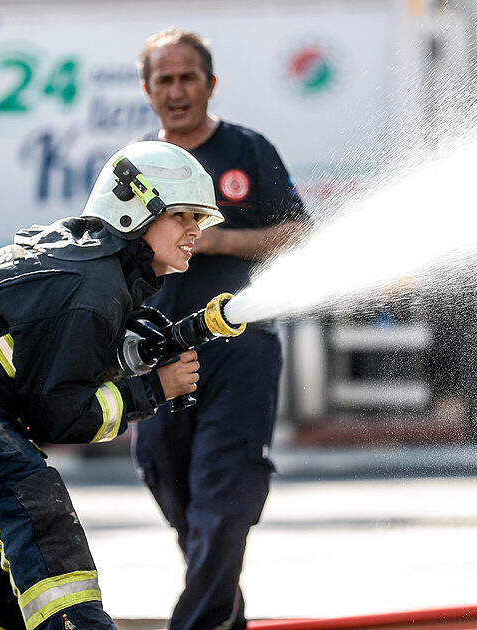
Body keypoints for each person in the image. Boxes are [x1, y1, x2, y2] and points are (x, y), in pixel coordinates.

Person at [0, 140, 224, 630]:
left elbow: (46, 352)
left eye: (200, 219)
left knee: (10, 563)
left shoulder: (97, 269)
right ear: (132, 209)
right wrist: (154, 390)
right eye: (181, 214)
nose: (194, 231)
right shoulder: (94, 288)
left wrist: (125, 344)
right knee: (36, 509)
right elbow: (59, 414)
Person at [132, 27, 310, 630]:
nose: (177, 91)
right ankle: (223, 615)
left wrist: (220, 240)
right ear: (147, 89)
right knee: (169, 481)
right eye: (165, 80)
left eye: (188, 78)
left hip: (240, 350)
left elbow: (298, 233)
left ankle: (200, 623)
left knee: (222, 495)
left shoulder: (247, 150)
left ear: (210, 84)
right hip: (157, 356)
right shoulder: (135, 169)